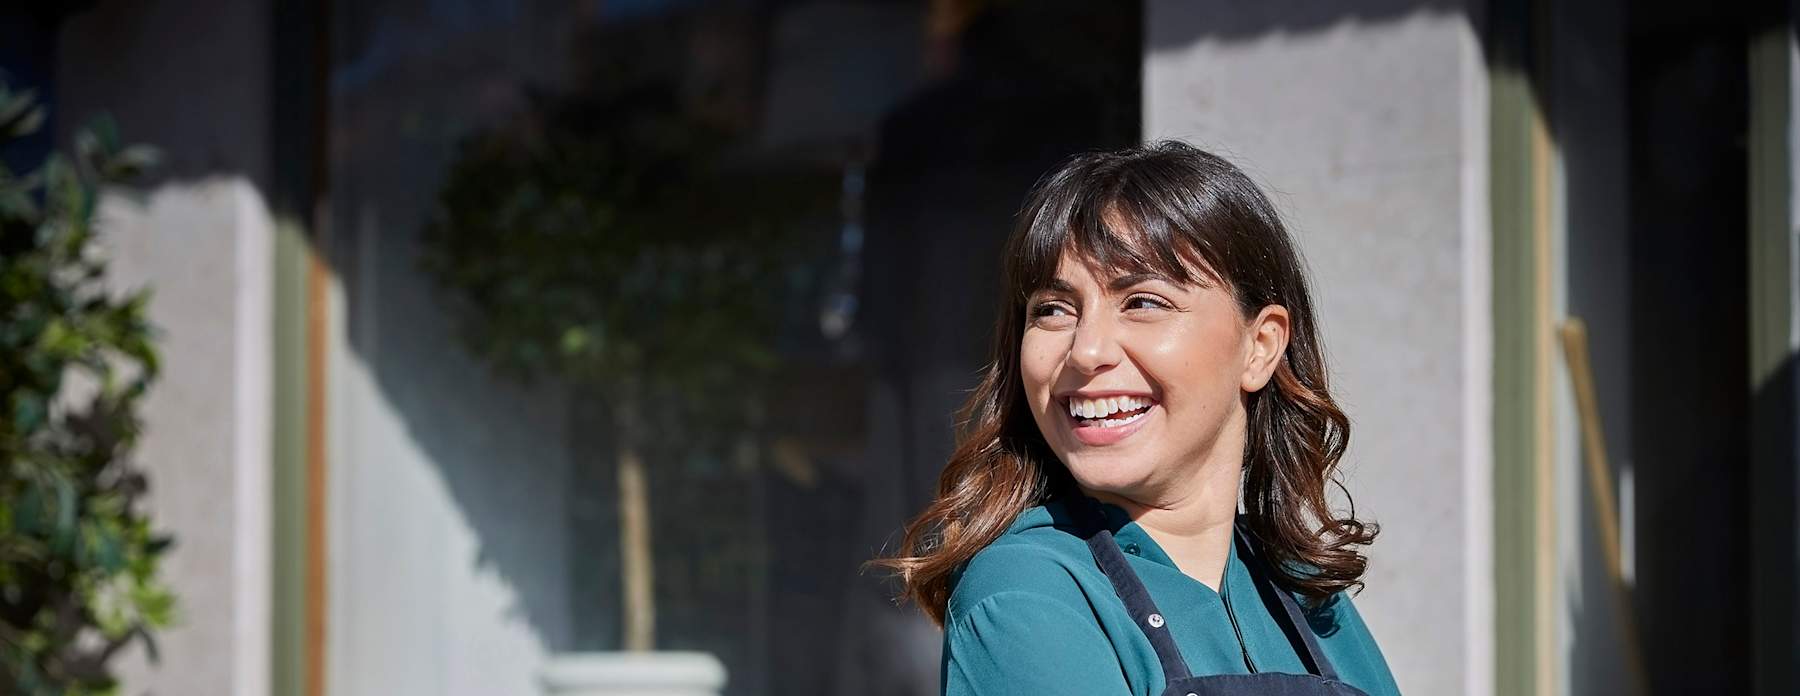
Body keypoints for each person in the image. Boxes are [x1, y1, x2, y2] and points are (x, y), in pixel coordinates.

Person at [869, 141, 1402, 695]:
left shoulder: (1308, 596)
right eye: (1054, 309)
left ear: (1260, 346)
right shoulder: (1027, 591)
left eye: (1143, 302)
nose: (1086, 351)